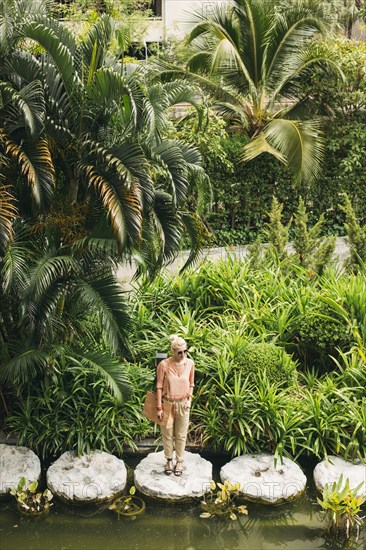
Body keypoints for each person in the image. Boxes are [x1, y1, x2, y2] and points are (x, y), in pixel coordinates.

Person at [156, 334, 195, 476]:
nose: (183, 354)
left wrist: (189, 400)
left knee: (181, 434)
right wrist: (159, 407)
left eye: (185, 351)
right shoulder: (164, 365)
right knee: (167, 434)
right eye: (180, 352)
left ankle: (179, 461)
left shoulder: (190, 364)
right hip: (168, 403)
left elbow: (191, 384)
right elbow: (159, 386)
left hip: (183, 404)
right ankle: (168, 460)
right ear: (173, 351)